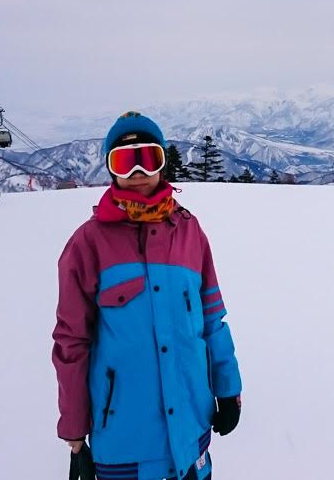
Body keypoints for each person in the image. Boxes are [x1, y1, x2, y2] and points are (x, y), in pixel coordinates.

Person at [53, 112, 242, 480]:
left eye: (148, 157)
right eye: (125, 160)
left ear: (162, 163)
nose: (138, 170)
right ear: (112, 170)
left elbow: (212, 318)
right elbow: (71, 342)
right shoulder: (88, 244)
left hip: (191, 435)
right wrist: (75, 434)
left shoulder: (189, 231)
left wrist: (228, 388)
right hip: (125, 443)